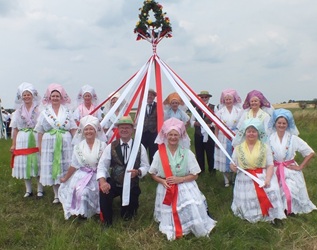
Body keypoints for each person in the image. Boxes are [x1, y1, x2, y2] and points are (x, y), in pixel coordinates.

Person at [149, 117, 216, 240]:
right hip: (167, 187)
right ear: (166, 136)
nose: (173, 137)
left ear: (180, 137)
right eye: (170, 135)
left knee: (190, 205)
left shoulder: (187, 153)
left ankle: (190, 223)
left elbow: (195, 174)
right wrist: (163, 181)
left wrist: (180, 180)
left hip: (185, 184)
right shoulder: (159, 154)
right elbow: (152, 173)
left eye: (176, 135)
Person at [97, 115, 150, 226]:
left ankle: (127, 210)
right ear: (118, 130)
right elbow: (102, 166)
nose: (124, 130)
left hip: (132, 184)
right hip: (115, 183)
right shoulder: (111, 146)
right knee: (104, 192)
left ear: (132, 130)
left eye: (127, 127)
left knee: (128, 216)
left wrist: (138, 172)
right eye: (122, 127)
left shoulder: (139, 146)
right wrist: (103, 182)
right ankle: (107, 222)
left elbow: (146, 166)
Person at [230, 118, 286, 223]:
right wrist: (232, 167)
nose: (251, 134)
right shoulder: (238, 148)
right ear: (245, 133)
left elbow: (270, 165)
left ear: (258, 133)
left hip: (261, 176)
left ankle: (268, 215)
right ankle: (249, 215)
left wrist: (268, 179)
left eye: (254, 131)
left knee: (270, 190)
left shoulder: (265, 147)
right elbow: (233, 165)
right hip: (244, 177)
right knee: (249, 196)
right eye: (249, 131)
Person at [35, 83, 77, 204]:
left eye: (57, 96)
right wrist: (40, 147)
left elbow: (73, 128)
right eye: (52, 96)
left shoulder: (68, 112)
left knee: (65, 165)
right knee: (54, 166)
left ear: (61, 97)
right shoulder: (44, 112)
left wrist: (77, 143)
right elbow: (39, 131)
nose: (55, 98)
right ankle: (56, 195)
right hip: (50, 143)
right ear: (49, 97)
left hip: (65, 142)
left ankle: (66, 192)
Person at [268, 109, 316, 215]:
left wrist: (300, 167)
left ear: (288, 124)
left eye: (284, 123)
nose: (281, 125)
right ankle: (281, 209)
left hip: (290, 169)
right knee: (275, 190)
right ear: (275, 123)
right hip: (275, 169)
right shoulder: (269, 138)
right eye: (279, 123)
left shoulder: (293, 138)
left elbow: (310, 152)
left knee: (290, 188)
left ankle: (290, 210)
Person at [59, 115, 106, 219]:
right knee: (81, 191)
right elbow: (74, 165)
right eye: (86, 129)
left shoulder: (103, 145)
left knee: (89, 191)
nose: (89, 131)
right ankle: (82, 213)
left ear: (96, 131)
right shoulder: (78, 147)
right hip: (82, 175)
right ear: (83, 132)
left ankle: (95, 211)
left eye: (91, 129)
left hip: (97, 175)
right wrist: (65, 178)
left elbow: (105, 164)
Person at [10, 82, 43, 198]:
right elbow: (14, 129)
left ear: (33, 95)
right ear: (21, 96)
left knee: (37, 163)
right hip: (22, 138)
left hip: (35, 136)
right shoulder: (17, 112)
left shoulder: (39, 110)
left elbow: (42, 126)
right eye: (24, 95)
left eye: (28, 94)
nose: (26, 97)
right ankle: (28, 189)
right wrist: (13, 144)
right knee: (24, 163)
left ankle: (40, 189)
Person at [214, 89, 242, 186]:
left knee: (236, 157)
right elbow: (217, 127)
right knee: (224, 156)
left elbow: (242, 125)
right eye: (226, 99)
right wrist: (216, 139)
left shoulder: (239, 111)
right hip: (223, 137)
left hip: (235, 136)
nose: (228, 101)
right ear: (223, 100)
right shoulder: (220, 112)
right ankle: (226, 180)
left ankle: (234, 178)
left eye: (230, 99)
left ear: (233, 99)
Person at [190, 90, 216, 173]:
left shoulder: (214, 107)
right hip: (198, 134)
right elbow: (191, 121)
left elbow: (217, 121)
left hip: (210, 134)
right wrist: (195, 123)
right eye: (202, 97)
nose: (204, 98)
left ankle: (212, 171)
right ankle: (201, 171)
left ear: (209, 98)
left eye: (206, 97)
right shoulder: (196, 108)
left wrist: (211, 125)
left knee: (211, 153)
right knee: (199, 153)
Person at [141, 89, 158, 164]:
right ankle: (143, 168)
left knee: (153, 151)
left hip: (154, 132)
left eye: (151, 95)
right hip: (143, 132)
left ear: (154, 96)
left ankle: (153, 169)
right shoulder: (141, 105)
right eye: (148, 94)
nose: (149, 96)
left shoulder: (158, 106)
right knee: (142, 151)